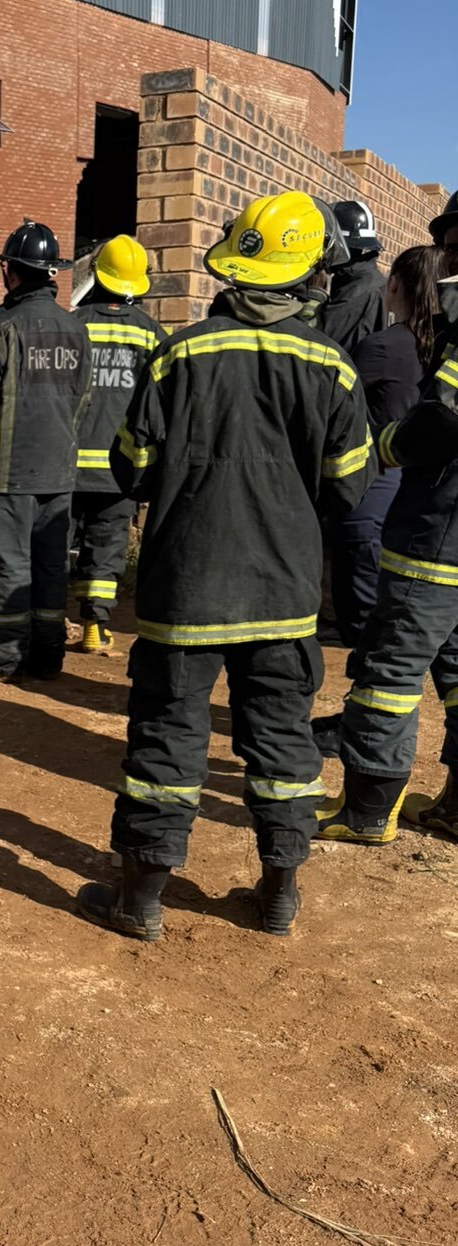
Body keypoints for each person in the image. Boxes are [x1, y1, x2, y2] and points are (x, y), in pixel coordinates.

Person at [76, 192, 373, 940]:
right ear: (312, 276)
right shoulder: (332, 367)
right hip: (283, 592)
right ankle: (278, 895)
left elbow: (132, 465)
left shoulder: (181, 353)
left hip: (185, 589)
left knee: (165, 740)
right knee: (281, 744)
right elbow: (350, 485)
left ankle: (140, 901)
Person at [319, 243, 458, 843]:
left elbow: (445, 415)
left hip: (439, 532)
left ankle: (368, 812)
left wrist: (389, 446)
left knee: (389, 671)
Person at [0, 219, 91, 680]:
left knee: (7, 566)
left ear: (12, 271)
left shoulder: (0, 331)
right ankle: (47, 657)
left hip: (7, 475)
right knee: (50, 566)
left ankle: (4, 659)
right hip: (59, 473)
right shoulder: (76, 330)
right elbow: (81, 400)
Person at [313, 245, 435, 756]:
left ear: (397, 288)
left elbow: (333, 413)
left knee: (363, 612)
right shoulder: (441, 348)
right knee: (393, 620)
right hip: (423, 503)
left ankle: (358, 727)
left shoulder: (383, 346)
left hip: (372, 493)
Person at [69, 236, 167, 653]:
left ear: (98, 276)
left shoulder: (72, 325)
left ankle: (49, 620)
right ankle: (95, 624)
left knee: (56, 542)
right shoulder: (151, 335)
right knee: (106, 546)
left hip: (67, 465)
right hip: (119, 466)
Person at [317, 199, 388, 354]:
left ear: (338, 245)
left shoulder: (356, 294)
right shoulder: (369, 279)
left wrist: (314, 295)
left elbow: (322, 345)